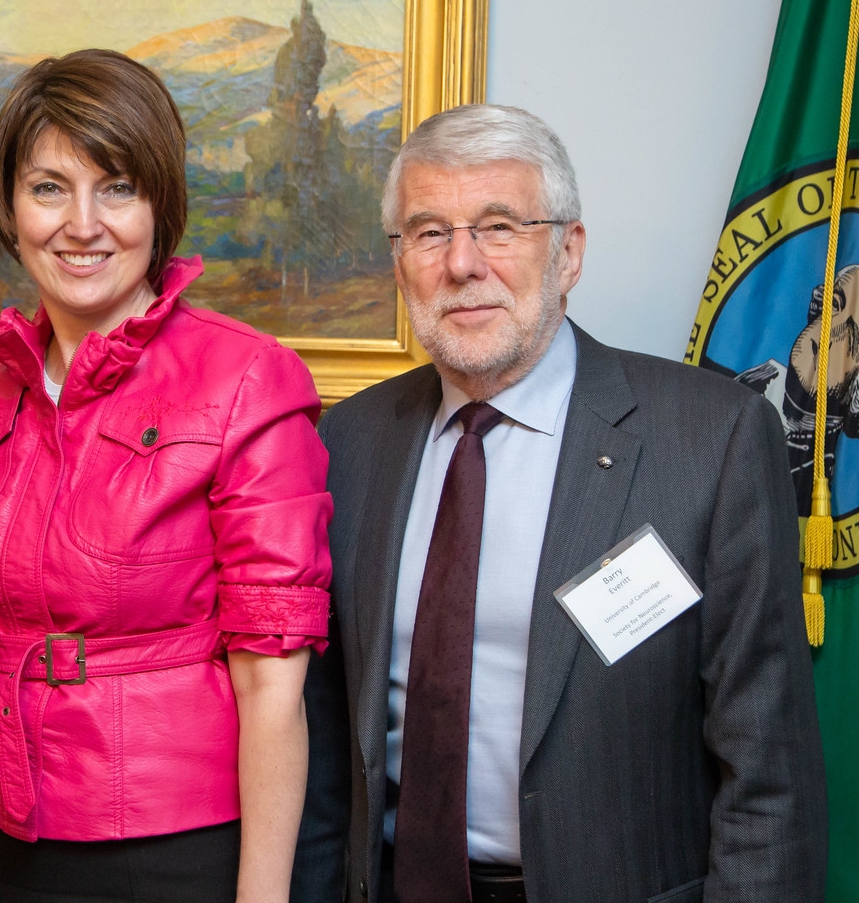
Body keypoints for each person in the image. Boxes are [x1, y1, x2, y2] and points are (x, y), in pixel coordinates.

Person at [292, 103, 827, 903]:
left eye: (500, 226)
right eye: (429, 233)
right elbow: (326, 741)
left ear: (569, 252)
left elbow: (768, 776)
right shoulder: (353, 441)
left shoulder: (710, 438)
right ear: (399, 263)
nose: (463, 263)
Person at [0, 49, 332, 903]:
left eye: (116, 187)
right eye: (47, 188)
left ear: (160, 205)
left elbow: (272, 687)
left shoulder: (251, 380)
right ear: (8, 204)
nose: (81, 224)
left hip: (163, 850)